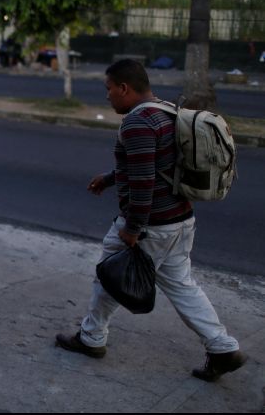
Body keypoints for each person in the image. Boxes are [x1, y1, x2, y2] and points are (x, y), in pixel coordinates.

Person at [56, 59, 247, 382]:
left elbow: (144, 180)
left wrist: (132, 228)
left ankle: (91, 338)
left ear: (124, 88)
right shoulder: (165, 111)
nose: (107, 97)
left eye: (109, 89)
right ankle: (222, 347)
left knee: (108, 275)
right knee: (183, 285)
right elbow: (155, 165)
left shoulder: (137, 124)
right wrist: (109, 177)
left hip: (151, 225)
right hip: (180, 220)